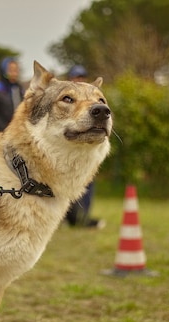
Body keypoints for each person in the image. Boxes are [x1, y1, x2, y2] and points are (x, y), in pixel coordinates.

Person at [64, 65, 105, 229]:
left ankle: (83, 218)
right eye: (76, 77)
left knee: (87, 186)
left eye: (82, 77)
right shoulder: (63, 96)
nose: (79, 80)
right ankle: (71, 218)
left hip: (87, 152)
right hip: (67, 152)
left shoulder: (93, 99)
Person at [0, 56, 23, 131]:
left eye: (16, 70)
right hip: (0, 131)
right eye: (10, 70)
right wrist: (5, 129)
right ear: (4, 71)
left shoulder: (19, 89)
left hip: (17, 130)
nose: (14, 73)